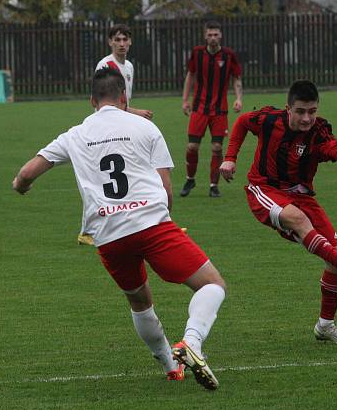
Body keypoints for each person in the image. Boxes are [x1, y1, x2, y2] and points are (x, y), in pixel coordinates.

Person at [12, 68, 226, 390]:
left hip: (109, 237)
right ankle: (192, 343)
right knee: (212, 285)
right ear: (124, 97)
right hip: (152, 226)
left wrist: (20, 186)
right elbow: (166, 189)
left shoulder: (75, 134)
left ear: (92, 101)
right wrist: (163, 222)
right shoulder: (145, 126)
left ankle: (170, 365)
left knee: (140, 301)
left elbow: (26, 174)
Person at [220, 80, 337, 345]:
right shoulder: (269, 119)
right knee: (300, 221)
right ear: (288, 109)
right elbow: (241, 123)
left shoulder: (318, 131)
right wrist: (230, 157)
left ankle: (325, 325)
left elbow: (335, 151)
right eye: (301, 111)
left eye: (312, 111)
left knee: (334, 257)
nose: (307, 118)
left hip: (302, 196)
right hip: (265, 189)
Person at [78, 24, 153, 246]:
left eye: (125, 40)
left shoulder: (128, 66)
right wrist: (136, 113)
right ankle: (86, 230)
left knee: (124, 176)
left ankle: (132, 223)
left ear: (130, 42)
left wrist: (131, 113)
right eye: (117, 40)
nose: (121, 44)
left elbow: (123, 101)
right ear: (110, 42)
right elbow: (106, 101)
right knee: (99, 179)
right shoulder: (105, 65)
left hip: (122, 125)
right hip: (105, 128)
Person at [180, 21, 243, 198]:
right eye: (210, 34)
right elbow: (190, 76)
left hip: (219, 110)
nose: (213, 37)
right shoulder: (197, 53)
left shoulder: (229, 55)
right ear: (205, 36)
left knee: (216, 147)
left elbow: (236, 78)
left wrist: (238, 98)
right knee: (192, 146)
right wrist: (185, 100)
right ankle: (190, 179)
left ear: (220, 35)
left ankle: (214, 186)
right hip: (199, 108)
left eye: (216, 34)